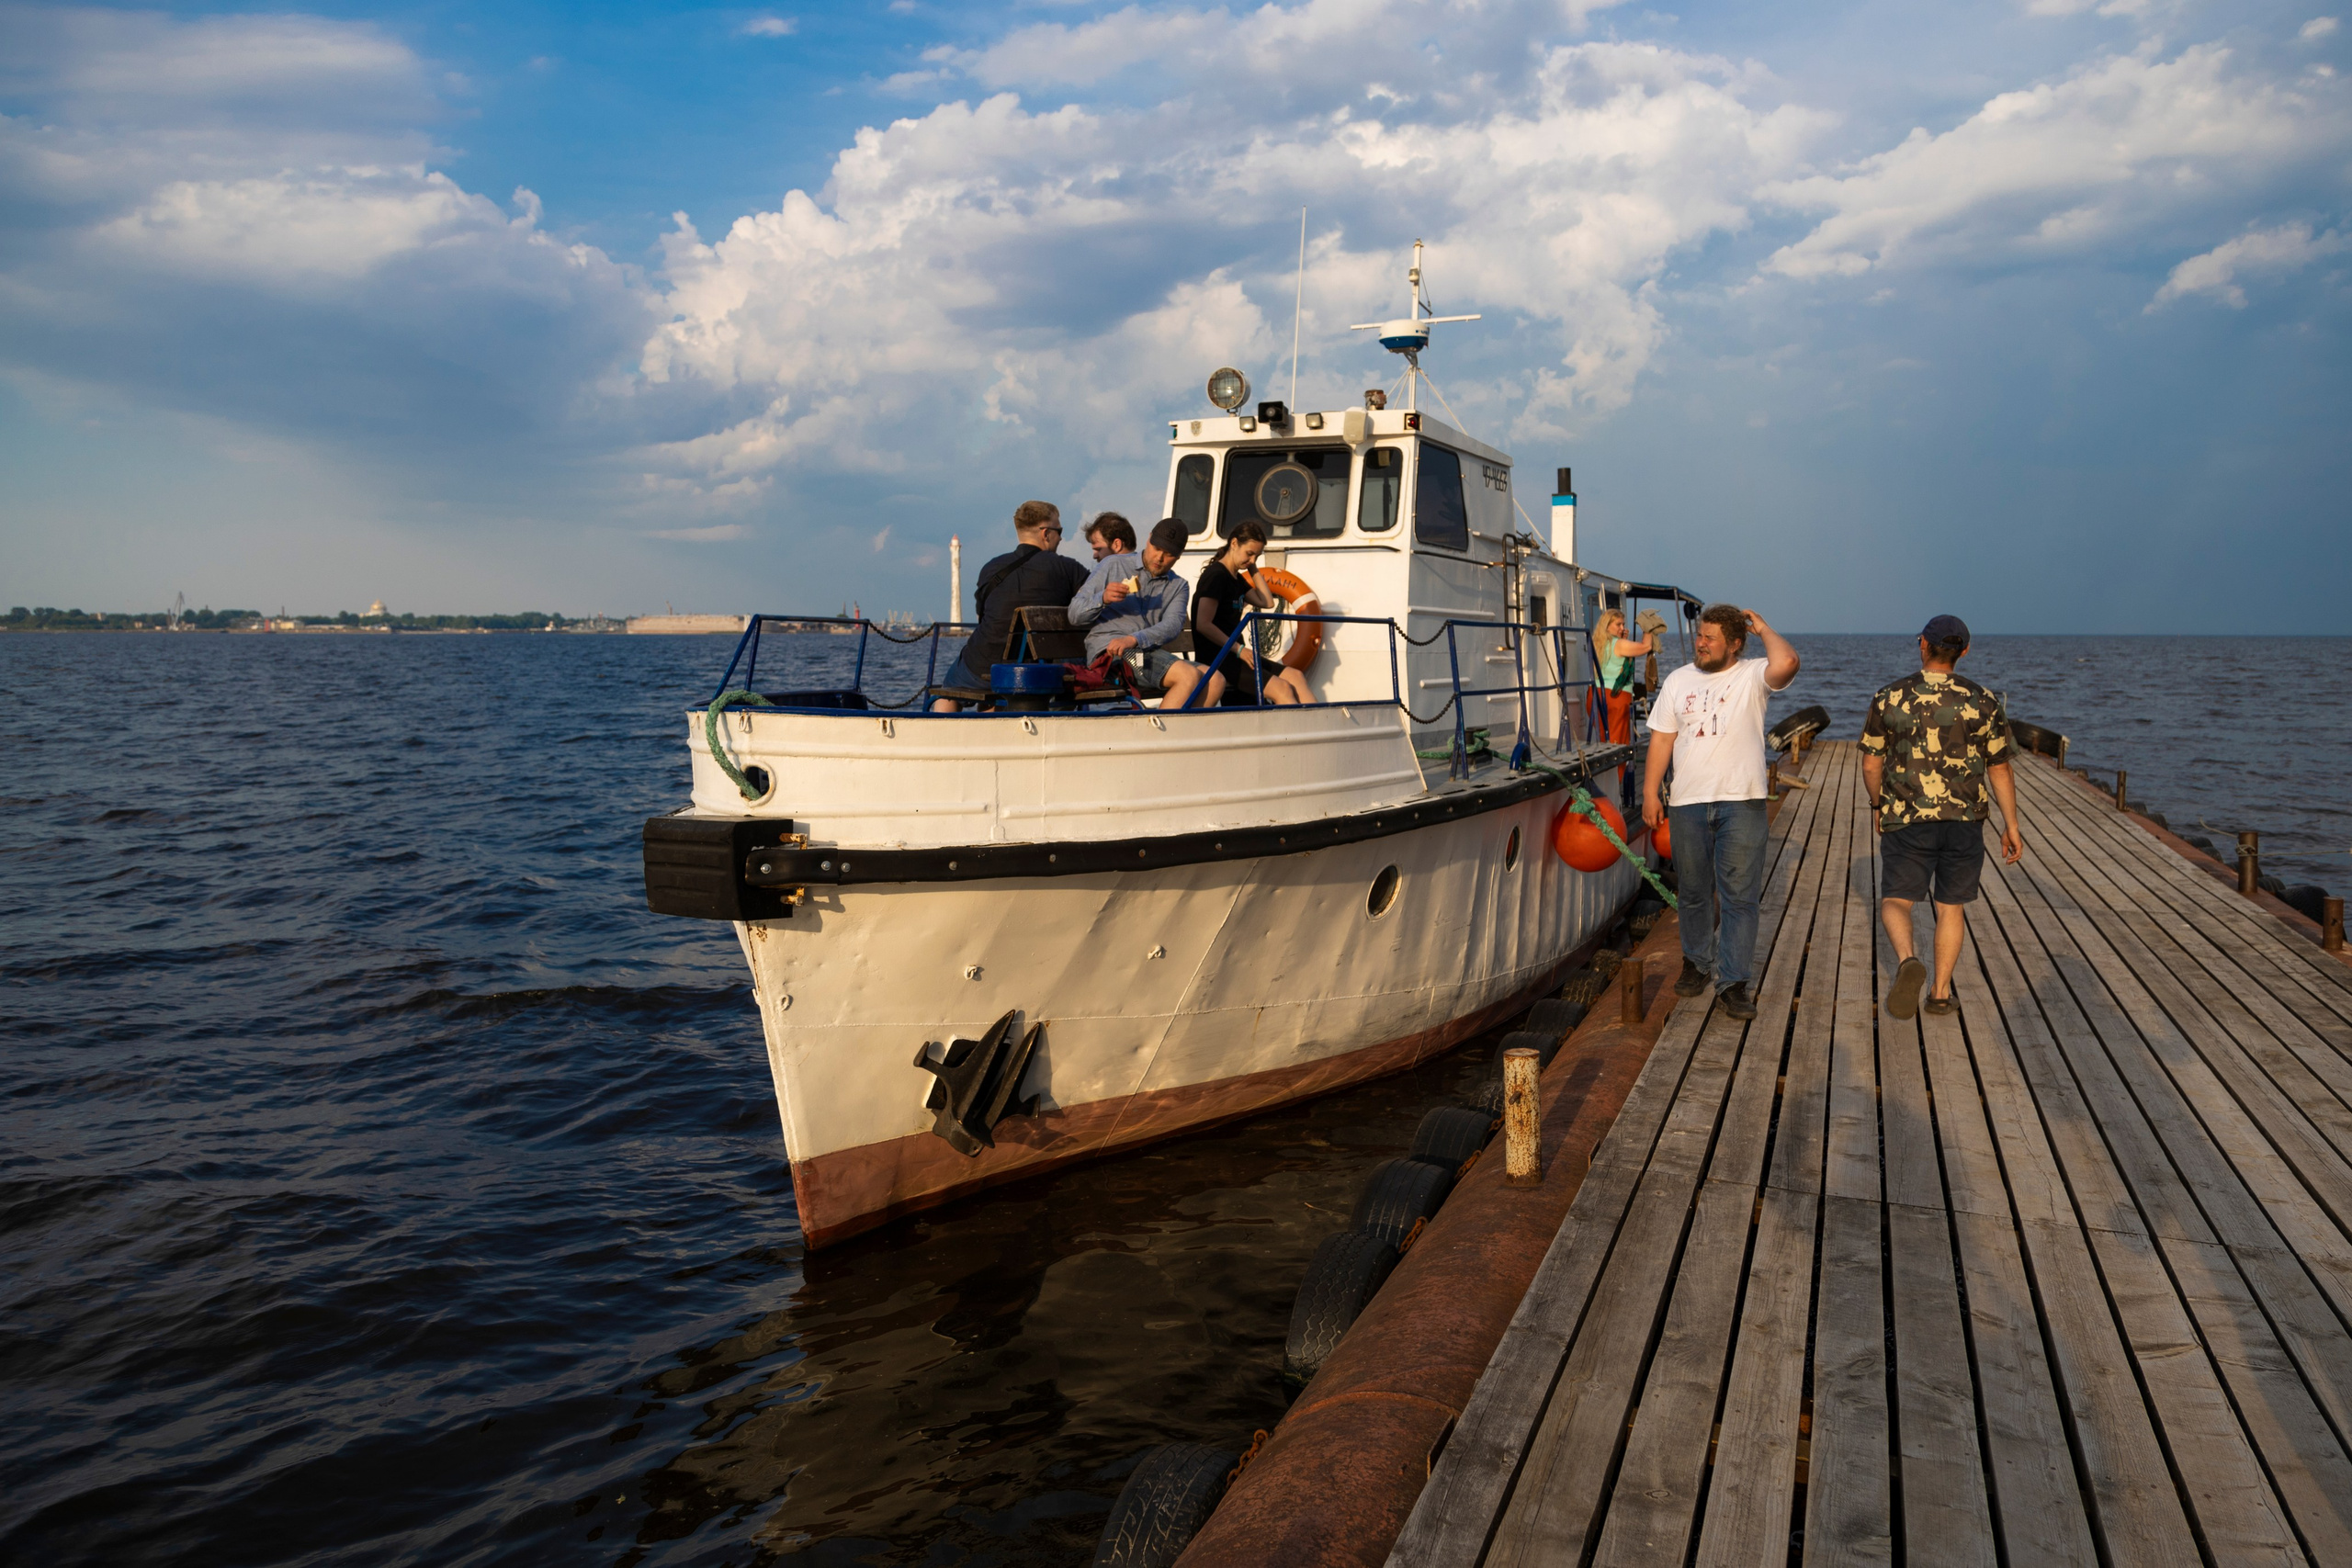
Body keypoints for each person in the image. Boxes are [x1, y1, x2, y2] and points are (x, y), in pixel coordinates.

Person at [1641, 604, 1800, 1021]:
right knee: (1693, 892)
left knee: (1740, 897)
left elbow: (1787, 661)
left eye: (1710, 638)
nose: (1701, 643)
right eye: (1700, 635)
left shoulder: (1753, 675)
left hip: (1742, 801)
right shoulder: (1678, 680)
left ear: (1735, 644)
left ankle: (1733, 983)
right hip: (1687, 803)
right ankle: (1696, 963)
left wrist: (1763, 626)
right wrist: (1650, 792)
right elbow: (1662, 740)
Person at [1861, 615, 2024, 1019]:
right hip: (1964, 822)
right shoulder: (1984, 700)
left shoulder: (1889, 697)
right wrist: (2011, 825)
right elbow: (2000, 768)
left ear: (1923, 644)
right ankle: (1939, 993)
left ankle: (1907, 960)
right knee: (1951, 907)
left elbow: (1871, 763)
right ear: (1964, 651)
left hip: (1906, 818)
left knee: (1896, 900)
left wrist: (1878, 805)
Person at [931, 501, 1089, 711]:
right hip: (1035, 671)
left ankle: (945, 727)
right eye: (1059, 531)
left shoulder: (991, 568)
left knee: (947, 692)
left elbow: (982, 616)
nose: (1060, 538)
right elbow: (1091, 605)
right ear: (1046, 533)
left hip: (982, 664)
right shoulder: (1068, 569)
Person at [1067, 517, 1205, 707]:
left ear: (1179, 555)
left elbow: (1173, 625)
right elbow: (1074, 614)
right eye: (1156, 548)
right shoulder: (1113, 564)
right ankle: (1158, 727)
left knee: (1215, 680)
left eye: (1169, 554)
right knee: (1188, 676)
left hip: (1145, 652)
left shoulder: (1179, 585)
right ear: (1149, 539)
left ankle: (1176, 727)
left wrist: (1134, 639)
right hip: (1111, 655)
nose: (1159, 558)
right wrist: (1102, 598)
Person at [1189, 522, 1312, 707]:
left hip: (1236, 656)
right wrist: (1239, 649)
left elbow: (1267, 602)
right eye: (1249, 553)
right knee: (1282, 689)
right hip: (1218, 658)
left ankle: (1322, 724)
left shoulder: (1236, 578)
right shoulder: (1216, 576)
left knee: (1296, 676)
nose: (1253, 560)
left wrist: (1252, 567)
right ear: (1234, 543)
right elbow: (1203, 624)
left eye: (1257, 556)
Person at [1589, 606, 1657, 744]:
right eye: (1618, 624)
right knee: (1618, 742)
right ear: (1607, 626)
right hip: (1616, 696)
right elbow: (1646, 647)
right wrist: (1648, 628)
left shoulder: (1597, 643)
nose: (1622, 628)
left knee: (1603, 740)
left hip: (1595, 694)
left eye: (1623, 624)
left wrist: (1622, 638)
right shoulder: (1619, 644)